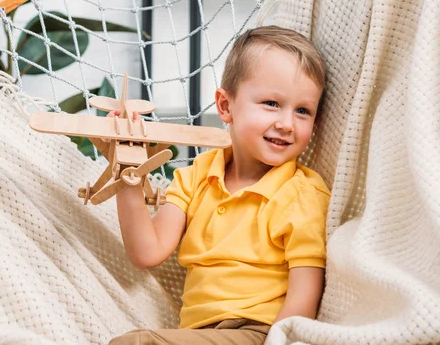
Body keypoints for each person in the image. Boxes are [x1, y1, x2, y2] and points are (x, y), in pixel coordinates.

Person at [109, 25, 330, 345]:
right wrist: (129, 171)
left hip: (258, 333)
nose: (286, 124)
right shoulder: (195, 177)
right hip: (196, 335)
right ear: (226, 107)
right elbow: (147, 251)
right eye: (271, 103)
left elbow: (304, 295)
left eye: (302, 111)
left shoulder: (301, 194)